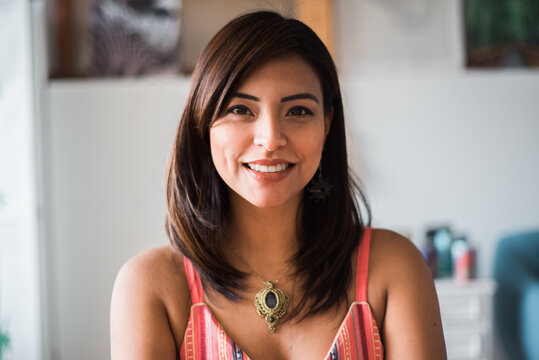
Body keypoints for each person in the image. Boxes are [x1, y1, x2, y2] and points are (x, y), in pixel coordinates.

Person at [110, 10, 447, 360]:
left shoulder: (394, 269)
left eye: (298, 111)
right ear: (204, 120)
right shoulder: (152, 286)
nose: (270, 139)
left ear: (327, 123)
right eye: (241, 109)